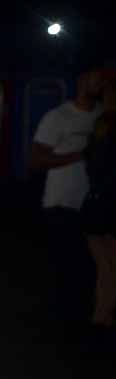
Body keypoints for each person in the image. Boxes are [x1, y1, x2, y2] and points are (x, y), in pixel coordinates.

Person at [31, 67, 105, 327]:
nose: (102, 83)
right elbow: (36, 159)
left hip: (92, 202)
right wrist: (80, 155)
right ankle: (61, 322)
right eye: (98, 78)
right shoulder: (58, 117)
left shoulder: (103, 117)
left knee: (90, 267)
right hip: (60, 202)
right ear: (83, 80)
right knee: (65, 265)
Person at [84, 74, 116, 330]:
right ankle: (105, 312)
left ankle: (101, 313)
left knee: (104, 264)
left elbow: (95, 163)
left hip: (100, 199)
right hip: (108, 199)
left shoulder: (103, 123)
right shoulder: (104, 122)